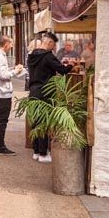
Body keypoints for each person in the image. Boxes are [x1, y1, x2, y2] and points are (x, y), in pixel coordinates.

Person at [27, 32, 73, 163]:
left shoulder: (32, 56)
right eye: (53, 45)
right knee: (43, 122)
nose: (53, 49)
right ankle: (42, 153)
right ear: (50, 43)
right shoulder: (48, 56)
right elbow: (63, 70)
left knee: (36, 122)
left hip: (33, 91)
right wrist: (71, 66)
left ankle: (36, 151)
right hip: (45, 92)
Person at [0, 36, 25, 156]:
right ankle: (0, 146)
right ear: (6, 44)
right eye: (11, 43)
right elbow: (3, 75)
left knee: (0, 120)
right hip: (3, 92)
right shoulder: (0, 57)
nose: (12, 46)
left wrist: (11, 68)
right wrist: (16, 71)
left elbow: (1, 71)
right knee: (3, 121)